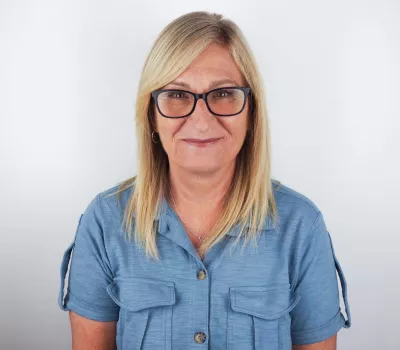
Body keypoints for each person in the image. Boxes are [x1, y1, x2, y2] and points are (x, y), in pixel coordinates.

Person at [58, 11, 351, 350]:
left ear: (252, 112)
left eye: (224, 93)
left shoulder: (301, 226)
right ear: (151, 114)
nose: (200, 121)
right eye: (178, 95)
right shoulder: (105, 221)